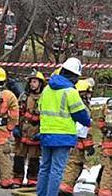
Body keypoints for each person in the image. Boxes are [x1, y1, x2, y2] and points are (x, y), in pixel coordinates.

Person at [38, 57, 91, 196]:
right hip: (63, 136)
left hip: (45, 133)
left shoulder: (46, 89)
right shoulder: (70, 91)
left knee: (44, 167)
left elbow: (40, 108)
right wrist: (89, 122)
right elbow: (81, 114)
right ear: (74, 76)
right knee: (57, 169)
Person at [59, 79, 96, 195]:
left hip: (68, 140)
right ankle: (64, 190)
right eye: (88, 92)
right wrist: (89, 145)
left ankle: (65, 188)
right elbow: (82, 130)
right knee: (73, 165)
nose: (90, 95)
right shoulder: (81, 108)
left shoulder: (71, 104)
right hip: (76, 143)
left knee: (69, 165)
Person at [12, 70, 46, 188]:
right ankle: (17, 178)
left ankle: (32, 179)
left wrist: (42, 132)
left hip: (35, 132)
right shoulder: (24, 96)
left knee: (34, 158)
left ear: (40, 84)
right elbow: (17, 113)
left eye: (35, 81)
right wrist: (16, 127)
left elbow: (47, 117)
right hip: (22, 132)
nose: (32, 84)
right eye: (31, 81)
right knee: (19, 156)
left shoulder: (45, 98)